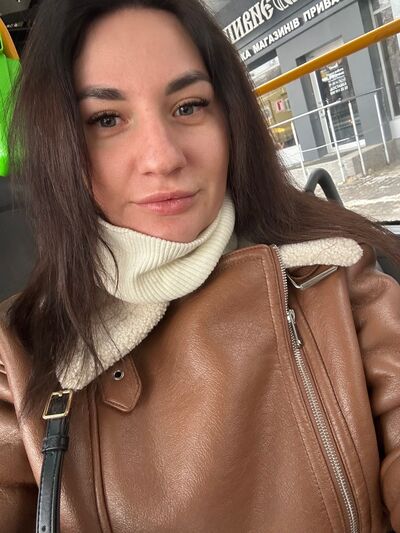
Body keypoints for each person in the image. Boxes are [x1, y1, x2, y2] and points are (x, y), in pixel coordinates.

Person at [0, 0, 399, 531]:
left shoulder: (339, 278)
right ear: (60, 146)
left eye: (188, 107)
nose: (163, 157)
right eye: (106, 119)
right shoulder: (19, 355)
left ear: (230, 119)